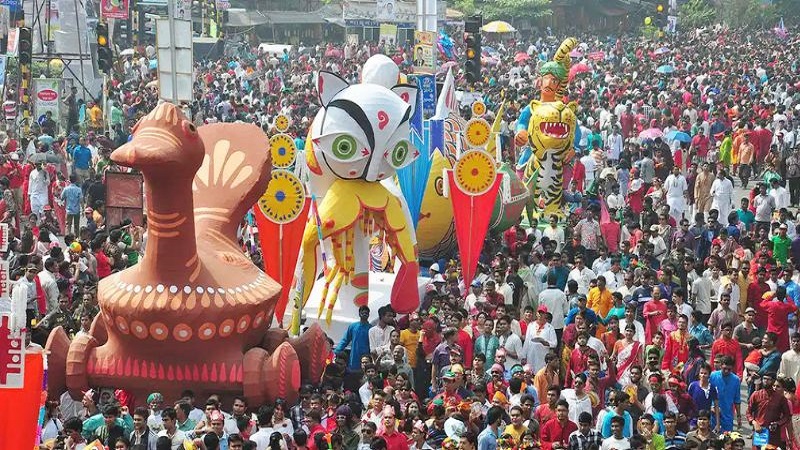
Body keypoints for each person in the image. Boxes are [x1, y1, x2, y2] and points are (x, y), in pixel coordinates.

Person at [748, 372, 792, 448]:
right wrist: (754, 422)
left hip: (773, 434)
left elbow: (787, 416)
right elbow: (748, 412)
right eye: (764, 378)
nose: (766, 381)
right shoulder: (756, 395)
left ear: (773, 381)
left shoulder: (781, 398)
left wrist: (777, 423)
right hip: (759, 431)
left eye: (768, 379)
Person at [709, 355, 741, 432]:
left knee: (726, 440)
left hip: (727, 416)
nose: (726, 371)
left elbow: (737, 400)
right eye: (724, 369)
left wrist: (739, 416)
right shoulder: (713, 376)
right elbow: (706, 394)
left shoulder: (736, 380)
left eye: (729, 369)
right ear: (720, 366)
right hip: (712, 415)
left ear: (732, 368)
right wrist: (710, 407)